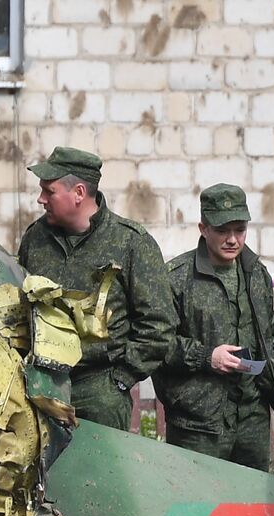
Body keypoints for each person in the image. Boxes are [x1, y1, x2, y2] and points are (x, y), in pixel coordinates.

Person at [17, 146, 174, 431]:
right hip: (43, 386)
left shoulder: (131, 243)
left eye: (49, 191)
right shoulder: (35, 239)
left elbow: (159, 325)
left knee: (100, 473)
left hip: (100, 391)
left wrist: (121, 378)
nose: (40, 199)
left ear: (78, 193)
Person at [153, 183, 274, 470]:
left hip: (251, 415)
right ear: (203, 228)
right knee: (195, 507)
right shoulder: (177, 278)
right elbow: (156, 343)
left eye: (239, 230)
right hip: (198, 421)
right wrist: (206, 357)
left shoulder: (256, 274)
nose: (232, 239)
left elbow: (270, 334)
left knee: (250, 507)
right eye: (222, 230)